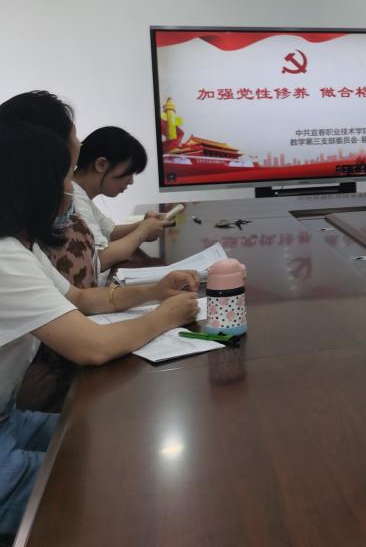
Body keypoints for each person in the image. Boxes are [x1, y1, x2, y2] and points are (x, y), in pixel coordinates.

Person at [0, 121, 199, 539]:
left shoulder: (21, 246)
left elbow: (81, 298)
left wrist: (155, 292)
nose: (71, 190)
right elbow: (91, 346)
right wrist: (165, 317)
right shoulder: (5, 258)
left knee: (115, 439)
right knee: (116, 485)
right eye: (65, 176)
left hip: (9, 419)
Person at [0, 91, 99, 287]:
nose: (79, 144)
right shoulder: (14, 248)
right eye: (74, 136)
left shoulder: (31, 239)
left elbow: (79, 297)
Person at [72, 126, 172, 272]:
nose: (131, 181)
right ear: (101, 164)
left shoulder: (79, 194)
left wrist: (145, 225)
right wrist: (143, 232)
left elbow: (109, 232)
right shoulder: (74, 200)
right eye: (129, 173)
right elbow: (101, 258)